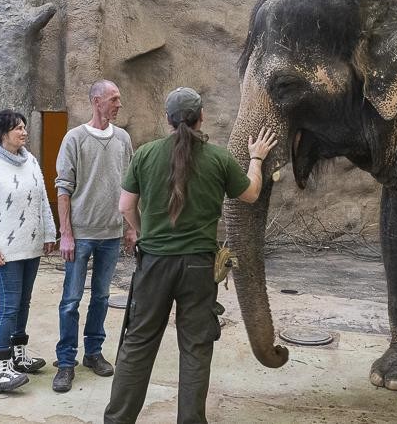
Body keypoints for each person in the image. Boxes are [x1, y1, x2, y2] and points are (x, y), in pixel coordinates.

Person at [104, 87, 277, 423]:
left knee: (138, 345)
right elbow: (252, 194)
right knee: (196, 348)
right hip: (198, 268)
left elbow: (125, 206)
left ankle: (118, 420)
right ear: (202, 117)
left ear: (167, 120)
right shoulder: (219, 158)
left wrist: (143, 232)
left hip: (153, 265)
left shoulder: (146, 154)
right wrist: (256, 158)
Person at [52, 80, 135, 393]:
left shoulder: (124, 139)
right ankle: (65, 361)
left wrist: (130, 226)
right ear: (97, 101)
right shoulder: (74, 138)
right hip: (81, 235)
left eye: (119, 98)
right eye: (114, 98)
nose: (118, 104)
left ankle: (93, 353)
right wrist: (66, 234)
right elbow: (63, 189)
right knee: (71, 300)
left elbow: (130, 186)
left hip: (111, 234)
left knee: (100, 297)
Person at [0, 109, 56, 394]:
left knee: (24, 303)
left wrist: (48, 233)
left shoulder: (29, 160)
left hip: (30, 248)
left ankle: (18, 357)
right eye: (18, 128)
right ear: (2, 134)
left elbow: (42, 197)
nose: (24, 132)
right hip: (4, 252)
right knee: (8, 307)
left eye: (24, 127)